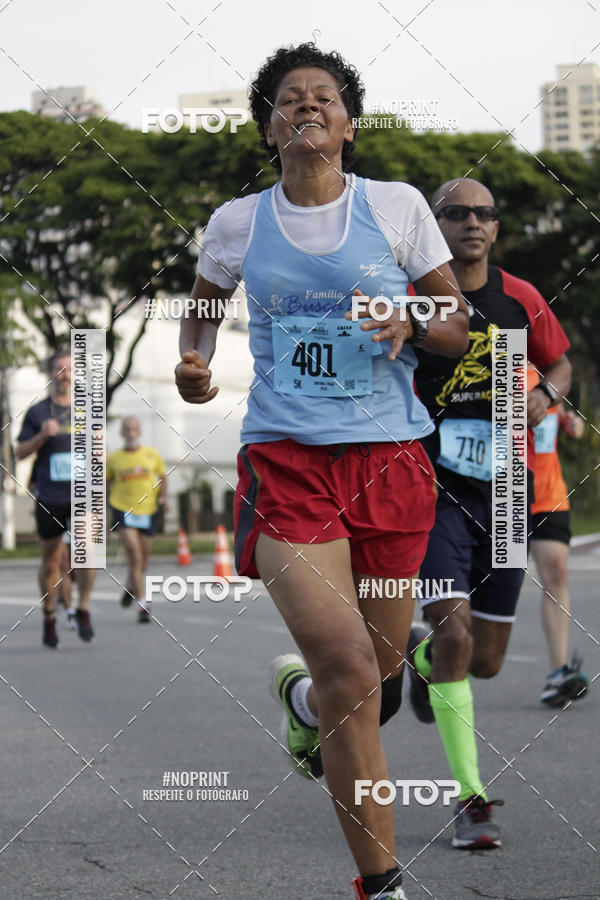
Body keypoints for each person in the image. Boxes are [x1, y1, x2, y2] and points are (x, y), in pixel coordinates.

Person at [175, 42, 468, 900]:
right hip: (288, 459)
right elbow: (201, 315)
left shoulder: (396, 206)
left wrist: (410, 321)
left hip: (390, 461)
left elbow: (455, 323)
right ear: (270, 129)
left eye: (325, 96)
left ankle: (304, 704)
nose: (307, 105)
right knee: (351, 670)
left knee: (373, 683)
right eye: (288, 99)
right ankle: (382, 885)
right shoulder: (237, 223)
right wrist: (194, 365)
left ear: (348, 125)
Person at [408, 177, 572, 850]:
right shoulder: (412, 297)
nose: (472, 223)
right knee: (456, 634)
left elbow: (560, 364)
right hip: (433, 490)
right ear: (434, 225)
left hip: (506, 493)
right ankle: (470, 799)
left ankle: (423, 660)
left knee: (485, 660)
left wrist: (547, 398)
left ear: (496, 229)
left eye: (484, 214)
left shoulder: (521, 298)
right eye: (456, 213)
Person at [16, 349, 96, 647]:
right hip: (50, 496)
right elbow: (19, 452)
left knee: (88, 554)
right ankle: (49, 615)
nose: (65, 375)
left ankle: (83, 608)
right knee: (50, 563)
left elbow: (100, 452)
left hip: (82, 494)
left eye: (70, 370)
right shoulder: (37, 413)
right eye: (60, 369)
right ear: (50, 373)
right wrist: (41, 437)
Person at [527, 365, 589, 706]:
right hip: (503, 495)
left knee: (556, 572)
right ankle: (439, 654)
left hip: (549, 495)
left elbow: (562, 416)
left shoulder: (547, 373)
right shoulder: (492, 368)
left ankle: (558, 673)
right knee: (486, 583)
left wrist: (571, 423)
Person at [106, 417, 168, 623]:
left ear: (139, 432)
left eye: (134, 429)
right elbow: (106, 482)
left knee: (143, 559)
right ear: (122, 433)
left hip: (148, 510)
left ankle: (131, 586)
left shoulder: (152, 454)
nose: (130, 433)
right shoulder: (114, 459)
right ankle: (143, 604)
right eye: (126, 429)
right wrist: (103, 508)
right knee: (134, 553)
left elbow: (163, 477)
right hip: (123, 508)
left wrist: (163, 497)